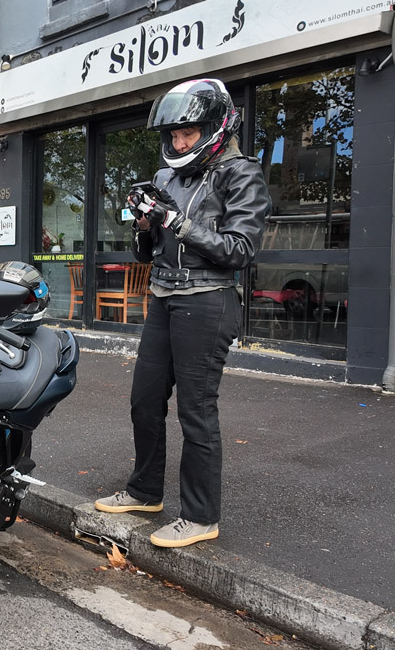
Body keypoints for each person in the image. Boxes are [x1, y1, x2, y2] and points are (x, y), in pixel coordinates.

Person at [94, 78, 271, 549]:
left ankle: (199, 516)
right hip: (164, 296)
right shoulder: (165, 177)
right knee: (144, 400)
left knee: (196, 410)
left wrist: (178, 221)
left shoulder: (241, 174)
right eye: (173, 135)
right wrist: (144, 224)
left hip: (208, 300)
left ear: (214, 128)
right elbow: (147, 252)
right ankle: (144, 492)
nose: (178, 143)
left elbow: (239, 250)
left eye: (187, 133)